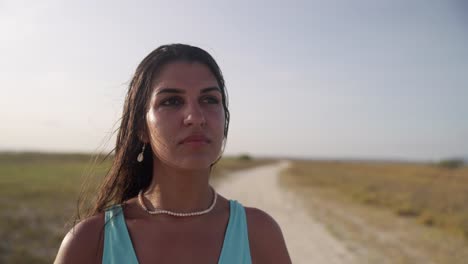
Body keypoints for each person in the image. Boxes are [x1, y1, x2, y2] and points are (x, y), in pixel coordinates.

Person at [54, 44, 291, 264]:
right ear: (141, 128)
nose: (196, 118)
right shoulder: (90, 242)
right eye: (172, 101)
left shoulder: (259, 234)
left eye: (209, 99)